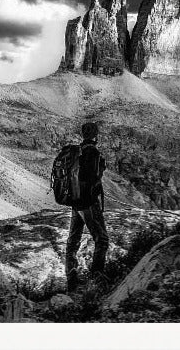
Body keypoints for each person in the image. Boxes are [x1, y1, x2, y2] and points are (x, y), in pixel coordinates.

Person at [64, 121, 109, 291]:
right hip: (89, 203)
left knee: (73, 242)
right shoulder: (94, 153)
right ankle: (96, 280)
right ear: (96, 135)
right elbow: (94, 177)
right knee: (102, 240)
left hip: (76, 203)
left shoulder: (75, 152)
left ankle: (72, 280)